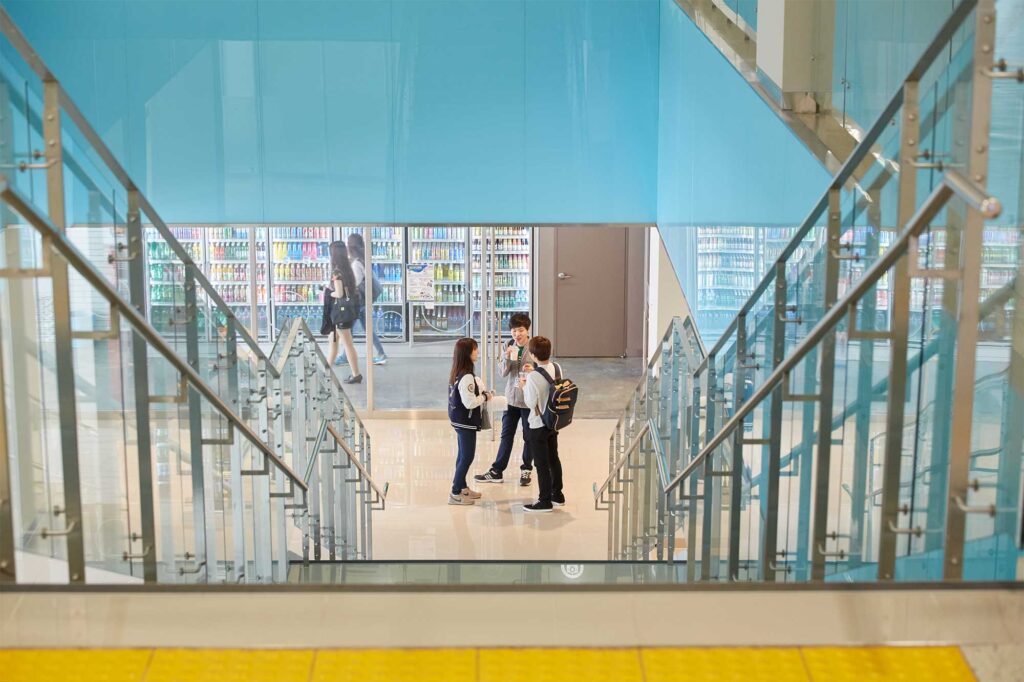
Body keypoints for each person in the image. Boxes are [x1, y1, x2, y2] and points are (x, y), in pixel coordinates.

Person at [474, 312, 536, 486]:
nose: (517, 334)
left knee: (528, 436)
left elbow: (544, 371)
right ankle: (497, 471)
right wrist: (507, 358)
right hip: (511, 398)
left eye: (521, 330)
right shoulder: (508, 345)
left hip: (528, 400)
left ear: (528, 330)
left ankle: (526, 469)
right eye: (514, 331)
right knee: (506, 435)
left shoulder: (535, 346)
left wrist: (534, 370)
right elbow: (503, 373)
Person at [521, 336, 564, 513]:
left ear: (532, 354)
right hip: (553, 421)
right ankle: (557, 495)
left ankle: (544, 500)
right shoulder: (556, 367)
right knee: (553, 458)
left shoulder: (532, 377)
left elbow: (531, 403)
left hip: (538, 423)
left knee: (541, 463)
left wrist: (524, 386)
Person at [448, 338, 492, 506]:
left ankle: (463, 487)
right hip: (465, 422)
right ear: (467, 353)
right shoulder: (467, 377)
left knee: (462, 455)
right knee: (467, 456)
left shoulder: (457, 372)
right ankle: (454, 492)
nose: (477, 352)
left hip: (458, 420)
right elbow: (470, 403)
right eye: (475, 349)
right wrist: (485, 396)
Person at [336, 233, 388, 367]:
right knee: (361, 329)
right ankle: (379, 354)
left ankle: (346, 356)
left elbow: (356, 282)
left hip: (358, 303)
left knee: (349, 329)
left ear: (350, 247)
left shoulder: (356, 264)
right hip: (362, 302)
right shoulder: (362, 259)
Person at [325, 241, 362, 384]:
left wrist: (327, 291)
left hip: (340, 313)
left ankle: (356, 374)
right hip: (345, 311)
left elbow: (339, 294)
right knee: (333, 341)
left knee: (347, 344)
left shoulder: (336, 271)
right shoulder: (348, 269)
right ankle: (326, 370)